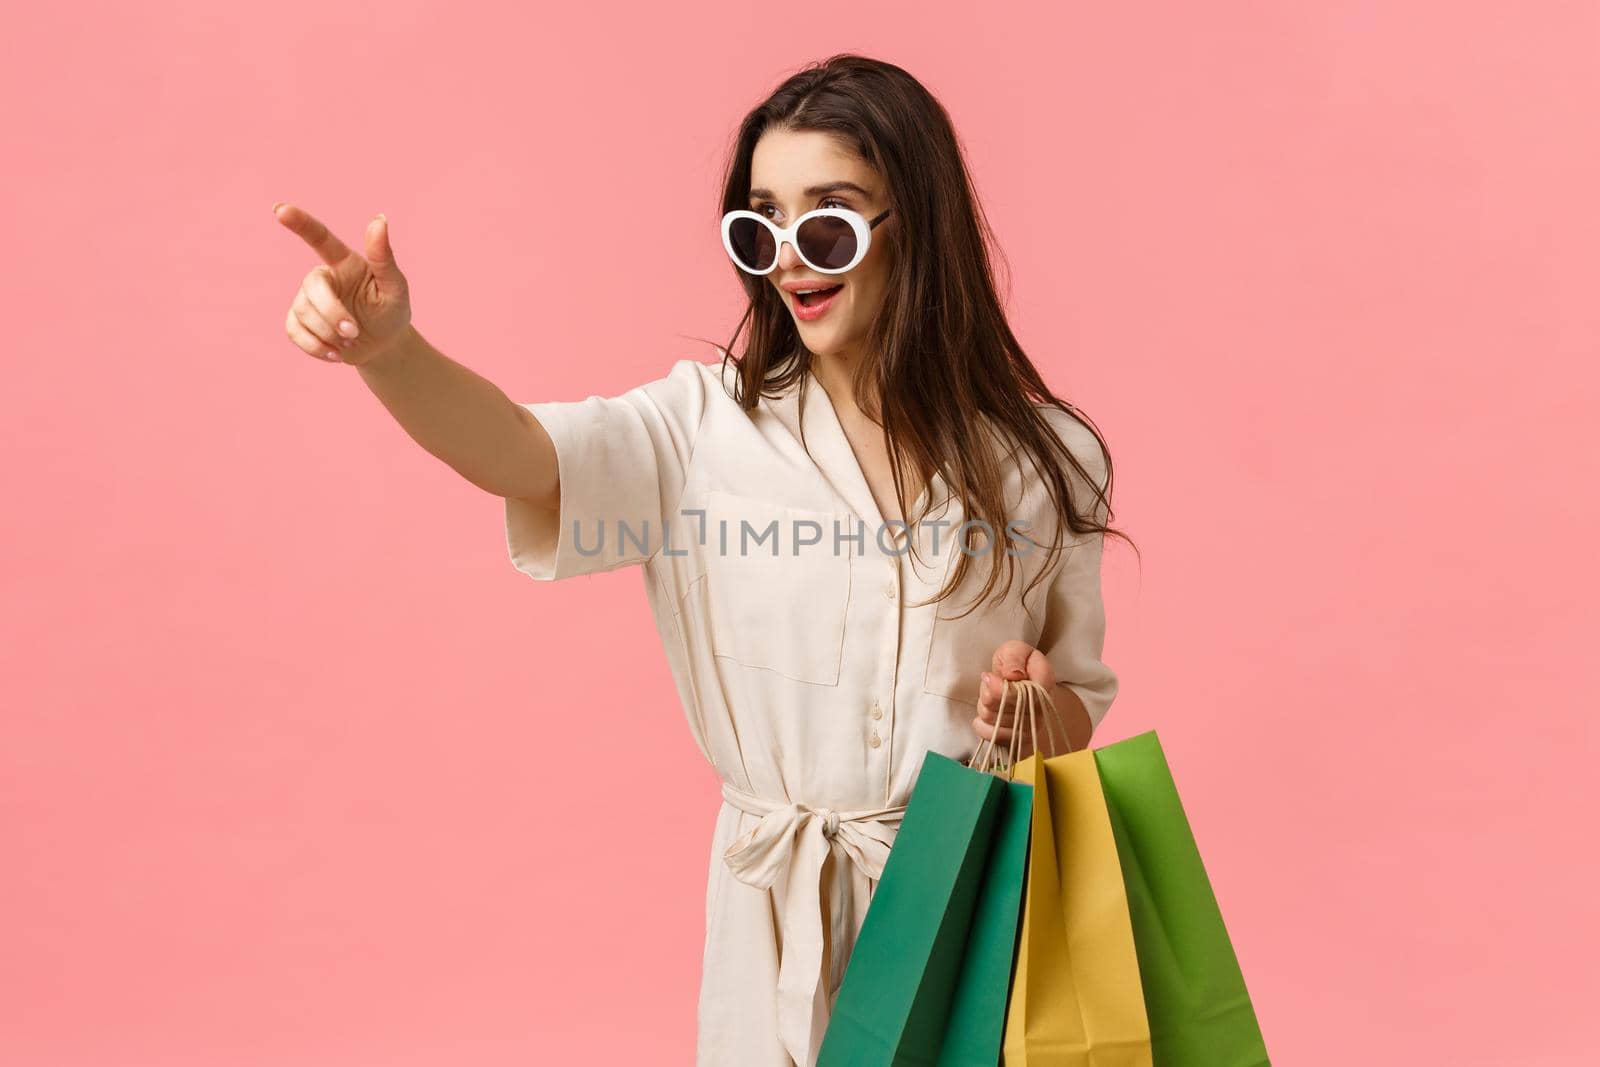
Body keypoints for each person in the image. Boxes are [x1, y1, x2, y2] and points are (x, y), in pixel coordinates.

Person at [274, 52, 1128, 1067]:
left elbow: (1072, 712)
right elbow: (517, 451)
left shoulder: (1049, 457)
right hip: (770, 912)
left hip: (965, 908)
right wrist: (389, 353)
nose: (788, 258)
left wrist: (1025, 703)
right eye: (759, 223)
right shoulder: (700, 428)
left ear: (920, 224)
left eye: (827, 220)